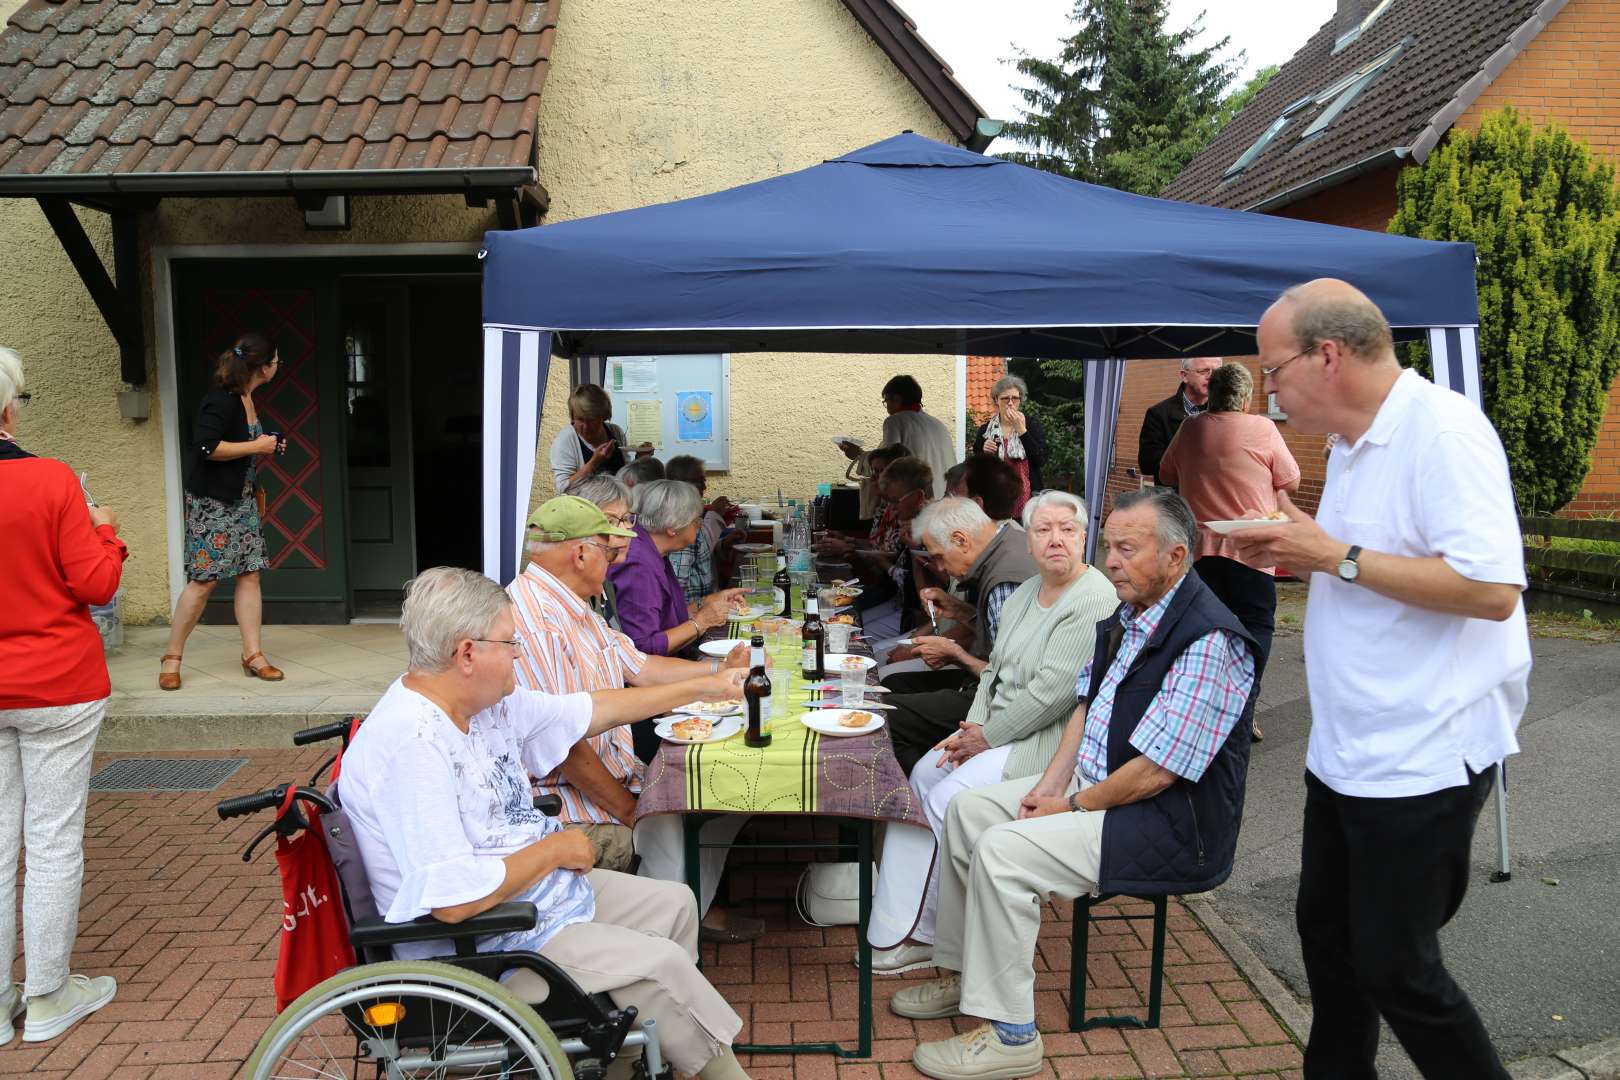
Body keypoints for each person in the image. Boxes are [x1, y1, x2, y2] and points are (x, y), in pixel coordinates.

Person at [1230, 279, 1528, 1080]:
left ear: (1327, 355)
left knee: (1398, 966)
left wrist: (1338, 557)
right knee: (1331, 951)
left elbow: (1492, 591)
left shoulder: (1444, 434)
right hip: (1351, 749)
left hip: (1425, 751)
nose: (1268, 389)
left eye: (1273, 368)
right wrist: (1305, 551)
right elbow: (1375, 568)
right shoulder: (1353, 444)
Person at [891, 488, 1256, 1080]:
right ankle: (964, 976)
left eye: (1127, 549)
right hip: (1096, 785)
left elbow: (1159, 771)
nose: (1110, 561)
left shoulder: (1210, 639)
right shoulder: (1128, 614)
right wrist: (1052, 784)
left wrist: (1071, 803)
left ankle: (1013, 1035)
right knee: (966, 814)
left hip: (1167, 821)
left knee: (1002, 853)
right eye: (1109, 546)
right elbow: (1087, 705)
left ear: (1176, 556)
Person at [336, 567, 753, 1080]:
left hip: (536, 900)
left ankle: (623, 1051)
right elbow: (453, 901)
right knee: (660, 965)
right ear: (467, 654)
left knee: (673, 903)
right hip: (487, 944)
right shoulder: (414, 746)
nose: (520, 653)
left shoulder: (481, 703)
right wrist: (556, 851)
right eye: (510, 642)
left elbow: (593, 709)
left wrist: (707, 687)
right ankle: (705, 1062)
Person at [865, 492, 1116, 974]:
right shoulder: (1027, 592)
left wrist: (987, 736)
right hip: (1001, 730)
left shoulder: (1094, 597)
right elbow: (995, 672)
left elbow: (1052, 696)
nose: (1056, 540)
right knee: (922, 774)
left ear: (1085, 536)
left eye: (1068, 529)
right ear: (1030, 537)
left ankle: (927, 933)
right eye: (1043, 530)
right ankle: (894, 918)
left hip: (1045, 744)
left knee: (948, 800)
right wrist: (973, 726)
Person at [509, 494, 763, 943]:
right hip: (569, 802)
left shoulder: (574, 604)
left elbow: (640, 666)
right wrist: (629, 809)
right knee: (694, 807)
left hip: (616, 778)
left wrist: (721, 672)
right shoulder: (539, 623)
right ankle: (660, 937)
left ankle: (684, 916)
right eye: (610, 549)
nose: (618, 558)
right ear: (581, 553)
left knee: (723, 797)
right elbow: (565, 748)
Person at [0, 347, 127, 1044]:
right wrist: (106, 528)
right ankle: (46, 996)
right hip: (55, 682)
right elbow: (97, 585)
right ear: (9, 407)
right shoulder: (50, 480)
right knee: (50, 841)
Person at [1160, 361, 1300, 741]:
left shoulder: (1190, 428)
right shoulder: (1264, 428)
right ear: (1245, 397)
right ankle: (1245, 706)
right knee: (1256, 626)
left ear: (1213, 394)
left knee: (1205, 631)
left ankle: (1203, 710)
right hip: (1251, 548)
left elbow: (1165, 473)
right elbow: (1291, 478)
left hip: (1201, 551)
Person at [160, 332, 287, 691]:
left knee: (250, 574)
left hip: (242, 501)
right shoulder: (220, 400)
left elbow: (245, 446)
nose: (278, 367)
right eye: (277, 361)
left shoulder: (247, 397)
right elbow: (206, 446)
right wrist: (257, 445)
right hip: (213, 504)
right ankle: (171, 657)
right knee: (204, 581)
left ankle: (253, 654)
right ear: (263, 367)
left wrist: (267, 446)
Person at [879, 496, 1039, 730]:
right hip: (985, 683)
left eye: (939, 557)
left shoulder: (1004, 582)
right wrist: (959, 610)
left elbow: (1012, 681)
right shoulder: (1010, 540)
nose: (941, 568)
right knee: (894, 683)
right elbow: (1000, 637)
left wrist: (957, 655)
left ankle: (930, 763)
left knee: (887, 713)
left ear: (960, 540)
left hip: (998, 705)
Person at [608, 480, 744, 657]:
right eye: (696, 520)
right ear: (672, 528)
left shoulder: (652, 550)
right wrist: (701, 622)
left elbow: (664, 619)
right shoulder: (638, 565)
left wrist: (705, 603)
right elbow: (643, 648)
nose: (700, 525)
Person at [839, 375, 958, 498]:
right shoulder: (938, 425)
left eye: (886, 401)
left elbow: (887, 466)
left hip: (917, 501)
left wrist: (859, 455)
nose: (887, 408)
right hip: (945, 502)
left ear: (896, 399)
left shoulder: (895, 421)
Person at [549, 384, 652, 493]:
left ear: (603, 415)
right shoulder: (565, 440)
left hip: (617, 505)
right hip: (586, 507)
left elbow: (626, 477)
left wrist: (641, 459)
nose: (585, 426)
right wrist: (594, 463)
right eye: (580, 419)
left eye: (591, 419)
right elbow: (563, 489)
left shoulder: (615, 432)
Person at [1136, 356, 1222, 486]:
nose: (1211, 377)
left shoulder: (1225, 412)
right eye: (1204, 371)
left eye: (1216, 372)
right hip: (1176, 500)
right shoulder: (1158, 414)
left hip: (1213, 500)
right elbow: (1147, 464)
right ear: (1184, 376)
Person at [971, 375, 1046, 518]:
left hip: (1027, 499)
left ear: (1020, 400)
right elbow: (977, 466)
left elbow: (1040, 459)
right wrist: (983, 451)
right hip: (995, 498)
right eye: (1005, 398)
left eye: (1015, 398)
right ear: (996, 401)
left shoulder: (1031, 426)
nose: (1010, 403)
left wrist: (1022, 431)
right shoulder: (986, 430)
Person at [664, 455, 732, 604]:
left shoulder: (687, 513)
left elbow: (698, 554)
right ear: (679, 482)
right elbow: (677, 586)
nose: (704, 487)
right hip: (694, 614)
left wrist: (723, 545)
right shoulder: (680, 520)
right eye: (700, 482)